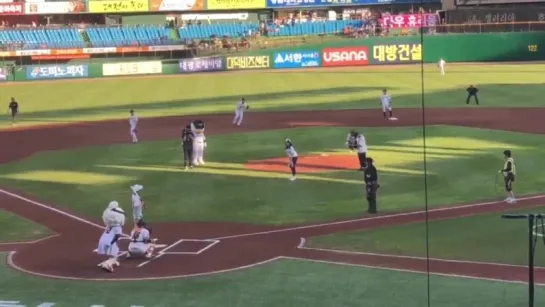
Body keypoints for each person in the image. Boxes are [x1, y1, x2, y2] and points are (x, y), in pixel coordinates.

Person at [97, 203, 125, 272]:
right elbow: (117, 236)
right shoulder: (117, 227)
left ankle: (113, 262)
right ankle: (107, 264)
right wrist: (111, 243)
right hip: (110, 242)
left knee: (115, 251)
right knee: (115, 253)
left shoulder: (108, 226)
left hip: (103, 240)